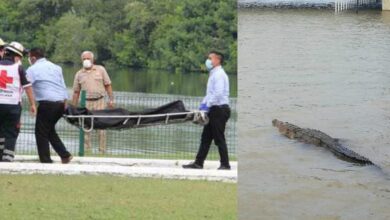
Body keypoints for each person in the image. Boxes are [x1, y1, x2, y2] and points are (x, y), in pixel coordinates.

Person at [183, 51, 231, 170]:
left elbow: (218, 94)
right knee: (205, 137)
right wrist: (203, 105)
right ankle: (198, 163)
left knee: (219, 138)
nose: (208, 61)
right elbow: (210, 94)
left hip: (219, 110)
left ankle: (225, 164)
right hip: (213, 109)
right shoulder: (213, 74)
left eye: (210, 58)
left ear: (217, 60)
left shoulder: (219, 74)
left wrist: (208, 105)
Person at [26, 48, 73, 163]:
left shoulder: (32, 69)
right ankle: (64, 155)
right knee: (49, 129)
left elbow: (26, 85)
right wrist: (65, 103)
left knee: (41, 132)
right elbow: (62, 85)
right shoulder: (56, 67)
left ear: (33, 58)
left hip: (47, 103)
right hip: (60, 103)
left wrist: (31, 103)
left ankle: (45, 159)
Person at [0, 42, 36, 162]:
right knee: (11, 132)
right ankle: (8, 158)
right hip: (12, 105)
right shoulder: (19, 68)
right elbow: (28, 87)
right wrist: (32, 104)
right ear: (16, 56)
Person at [72, 51, 114, 153]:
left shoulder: (101, 69)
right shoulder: (79, 74)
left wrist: (111, 99)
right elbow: (76, 92)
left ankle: (102, 151)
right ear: (81, 60)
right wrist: (73, 107)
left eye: (88, 58)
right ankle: (87, 150)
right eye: (84, 59)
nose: (86, 60)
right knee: (86, 127)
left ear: (93, 60)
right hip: (85, 103)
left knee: (101, 128)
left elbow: (108, 85)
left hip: (99, 101)